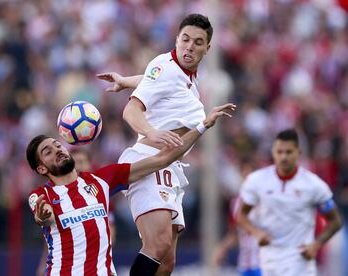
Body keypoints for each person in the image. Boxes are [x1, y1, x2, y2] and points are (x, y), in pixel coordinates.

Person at [26, 103, 235, 276]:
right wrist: (43, 217)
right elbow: (42, 216)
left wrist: (202, 126)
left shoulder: (101, 180)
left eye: (57, 145)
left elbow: (162, 158)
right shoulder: (41, 195)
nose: (57, 150)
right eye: (48, 151)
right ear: (42, 168)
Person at [97, 13, 213, 275]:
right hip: (149, 159)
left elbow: (155, 80)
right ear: (176, 39)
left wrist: (126, 81)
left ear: (208, 48)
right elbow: (131, 112)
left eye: (198, 42)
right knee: (157, 245)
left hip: (171, 167)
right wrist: (153, 132)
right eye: (185, 39)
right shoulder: (165, 64)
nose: (190, 47)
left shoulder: (185, 79)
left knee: (166, 263)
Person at [237, 129, 343, 275]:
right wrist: (256, 233)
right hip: (269, 258)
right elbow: (241, 215)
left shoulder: (313, 185)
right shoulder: (256, 181)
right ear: (273, 152)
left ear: (298, 153)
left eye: (288, 152)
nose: (283, 157)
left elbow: (335, 221)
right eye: (279, 152)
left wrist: (316, 245)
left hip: (299, 258)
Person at [35, 149, 119, 276]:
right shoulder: (54, 194)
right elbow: (52, 237)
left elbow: (110, 231)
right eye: (74, 162)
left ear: (90, 165)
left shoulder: (99, 191)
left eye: (81, 162)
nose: (78, 166)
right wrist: (43, 264)